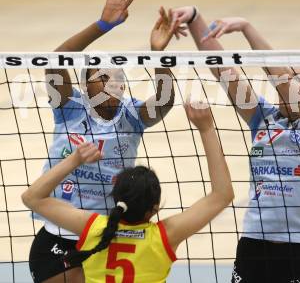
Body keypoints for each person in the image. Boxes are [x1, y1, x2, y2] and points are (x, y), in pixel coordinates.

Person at [171, 7, 300, 283]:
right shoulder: (263, 118)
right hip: (252, 247)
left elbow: (283, 83)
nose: (288, 81)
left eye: (298, 78)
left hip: (299, 253)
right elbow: (223, 70)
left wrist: (247, 28)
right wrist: (193, 19)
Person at [29, 0, 182, 283]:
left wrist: (158, 55)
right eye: (103, 77)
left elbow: (164, 101)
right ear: (86, 85)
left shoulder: (131, 116)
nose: (113, 84)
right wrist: (103, 25)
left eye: (118, 79)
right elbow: (55, 59)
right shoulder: (69, 107)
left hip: (103, 234)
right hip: (57, 235)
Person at [22, 101, 234, 283]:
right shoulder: (164, 237)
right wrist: (206, 129)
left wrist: (74, 160)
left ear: (115, 199)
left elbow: (32, 197)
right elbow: (222, 195)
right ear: (154, 209)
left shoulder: (94, 228)